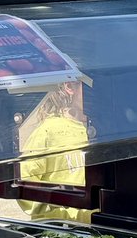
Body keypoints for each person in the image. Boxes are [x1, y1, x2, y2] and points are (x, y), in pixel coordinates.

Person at [17, 81, 92, 222]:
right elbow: (23, 181)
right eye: (91, 85)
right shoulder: (49, 131)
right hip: (62, 228)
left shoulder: (109, 129)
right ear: (70, 87)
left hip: (101, 226)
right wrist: (59, 210)